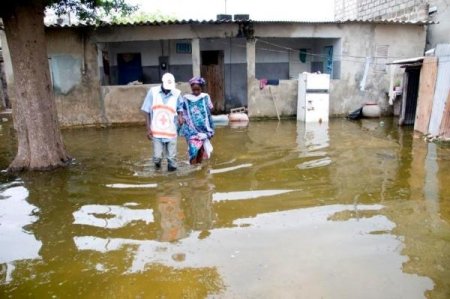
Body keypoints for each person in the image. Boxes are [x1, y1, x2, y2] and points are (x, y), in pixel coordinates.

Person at [141, 73, 183, 171]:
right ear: (162, 83)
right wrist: (148, 129)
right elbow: (147, 111)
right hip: (156, 132)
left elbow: (180, 108)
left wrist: (181, 116)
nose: (168, 89)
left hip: (171, 131)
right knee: (157, 158)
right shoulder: (153, 92)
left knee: (172, 160)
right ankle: (158, 170)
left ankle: (171, 181)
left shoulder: (177, 94)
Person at [180, 76, 215, 164]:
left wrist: (209, 128)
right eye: (194, 90)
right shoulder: (187, 99)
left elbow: (210, 110)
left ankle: (198, 168)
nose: (196, 92)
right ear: (191, 88)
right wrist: (183, 120)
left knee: (201, 150)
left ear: (201, 88)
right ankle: (193, 168)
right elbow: (183, 111)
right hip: (191, 129)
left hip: (203, 129)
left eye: (198, 90)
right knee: (193, 150)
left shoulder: (205, 97)